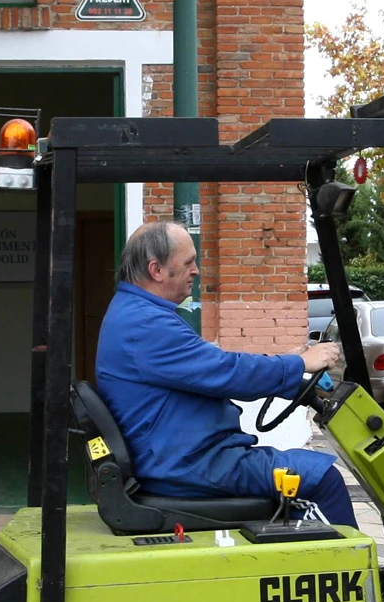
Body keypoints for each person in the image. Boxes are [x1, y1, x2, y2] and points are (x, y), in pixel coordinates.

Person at [94, 220, 357, 526]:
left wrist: (286, 367)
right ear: (157, 270)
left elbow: (210, 366)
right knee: (322, 481)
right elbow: (226, 372)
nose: (196, 271)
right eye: (189, 263)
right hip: (190, 466)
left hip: (181, 456)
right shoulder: (146, 324)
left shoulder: (137, 314)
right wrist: (300, 364)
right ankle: (354, 573)